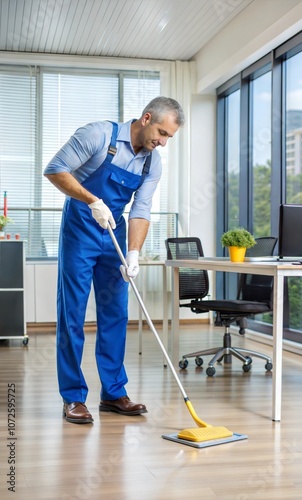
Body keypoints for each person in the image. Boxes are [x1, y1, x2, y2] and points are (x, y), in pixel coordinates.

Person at [44, 96, 185, 424]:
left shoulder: (152, 162)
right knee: (73, 313)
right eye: (161, 133)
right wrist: (92, 199)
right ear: (147, 117)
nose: (162, 143)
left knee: (116, 313)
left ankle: (113, 393)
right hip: (81, 226)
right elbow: (55, 169)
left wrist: (133, 252)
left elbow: (141, 209)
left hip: (115, 233)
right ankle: (73, 397)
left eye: (169, 138)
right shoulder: (98, 135)